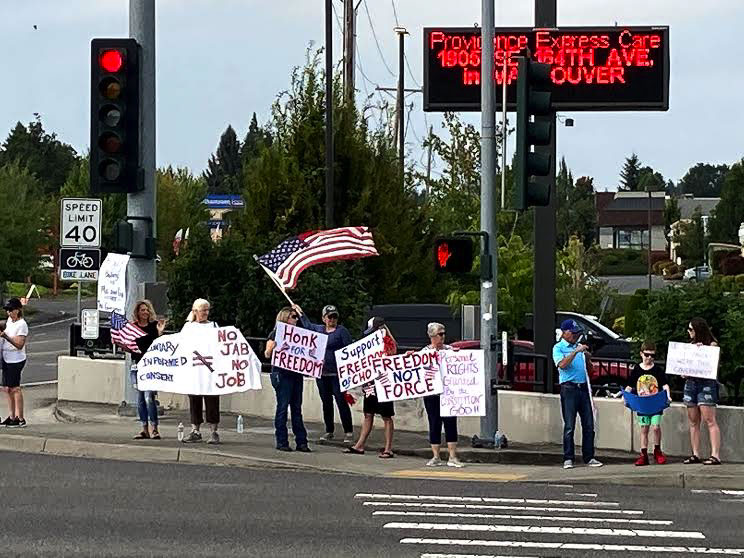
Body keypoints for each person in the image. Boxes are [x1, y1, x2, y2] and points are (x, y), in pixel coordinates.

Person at [553, 319, 603, 469]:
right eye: (572, 333)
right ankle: (568, 458)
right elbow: (562, 365)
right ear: (564, 332)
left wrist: (587, 359)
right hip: (569, 388)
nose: (574, 336)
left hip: (583, 388)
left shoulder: (579, 348)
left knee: (588, 424)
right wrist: (575, 352)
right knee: (569, 425)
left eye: (576, 333)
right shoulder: (558, 348)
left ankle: (589, 457)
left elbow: (590, 371)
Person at [344, 317, 397, 458]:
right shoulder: (368, 344)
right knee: (368, 413)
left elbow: (392, 357)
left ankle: (388, 448)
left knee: (386, 415)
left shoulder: (389, 343)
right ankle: (360, 445)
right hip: (370, 382)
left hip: (384, 382)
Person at [302, 304, 354, 443]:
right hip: (322, 374)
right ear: (324, 318)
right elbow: (307, 325)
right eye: (330, 317)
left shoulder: (342, 332)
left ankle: (348, 431)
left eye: (334, 317)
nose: (332, 319)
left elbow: (350, 350)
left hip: (337, 375)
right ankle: (329, 430)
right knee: (326, 403)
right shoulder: (319, 330)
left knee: (341, 402)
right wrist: (299, 311)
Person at [265, 306, 310, 452]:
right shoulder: (276, 333)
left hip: (296, 374)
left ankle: (302, 442)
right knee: (283, 408)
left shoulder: (300, 334)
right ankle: (282, 441)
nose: (296, 319)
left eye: (296, 317)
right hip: (282, 374)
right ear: (285, 318)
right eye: (293, 317)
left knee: (297, 409)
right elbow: (267, 354)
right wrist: (273, 347)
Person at [422, 322, 463, 468]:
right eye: (440, 334)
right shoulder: (425, 352)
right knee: (434, 423)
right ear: (432, 335)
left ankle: (452, 456)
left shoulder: (450, 350)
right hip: (432, 393)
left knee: (450, 422)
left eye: (444, 333)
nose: (443, 336)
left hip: (448, 392)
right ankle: (436, 456)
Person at [181, 298, 221, 444]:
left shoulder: (214, 326)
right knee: (194, 401)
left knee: (212, 401)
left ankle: (214, 431)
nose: (206, 313)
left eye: (207, 310)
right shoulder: (188, 327)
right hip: (194, 371)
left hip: (210, 371)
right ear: (195, 311)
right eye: (203, 310)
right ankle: (195, 430)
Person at [683, 317, 722, 465]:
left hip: (706, 383)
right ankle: (695, 453)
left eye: (691, 329)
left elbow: (713, 366)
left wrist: (703, 351)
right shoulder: (690, 346)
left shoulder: (712, 345)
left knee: (709, 419)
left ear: (698, 330)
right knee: (693, 420)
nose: (689, 332)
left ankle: (715, 454)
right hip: (691, 382)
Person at [625, 341, 670, 466]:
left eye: (652, 356)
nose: (649, 358)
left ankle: (657, 450)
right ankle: (643, 454)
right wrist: (625, 398)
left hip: (655, 403)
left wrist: (668, 396)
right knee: (644, 428)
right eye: (647, 355)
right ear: (641, 354)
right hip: (643, 404)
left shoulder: (657, 370)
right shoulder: (637, 370)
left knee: (656, 427)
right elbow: (629, 386)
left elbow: (665, 385)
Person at [129, 299, 167, 440]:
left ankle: (154, 428)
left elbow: (159, 344)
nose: (145, 312)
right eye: (142, 310)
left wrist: (160, 332)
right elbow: (129, 345)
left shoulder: (153, 327)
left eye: (147, 310)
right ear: (137, 312)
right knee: (140, 399)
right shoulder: (133, 328)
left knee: (148, 397)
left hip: (150, 367)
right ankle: (144, 428)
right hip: (137, 366)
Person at [0, 298, 28, 427]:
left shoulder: (22, 324)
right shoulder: (10, 322)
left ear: (18, 310)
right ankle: (11, 416)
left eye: (11, 310)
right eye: (7, 310)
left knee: (15, 388)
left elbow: (19, 344)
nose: (8, 312)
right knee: (7, 388)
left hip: (16, 359)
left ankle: (20, 417)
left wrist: (6, 337)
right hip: (6, 358)